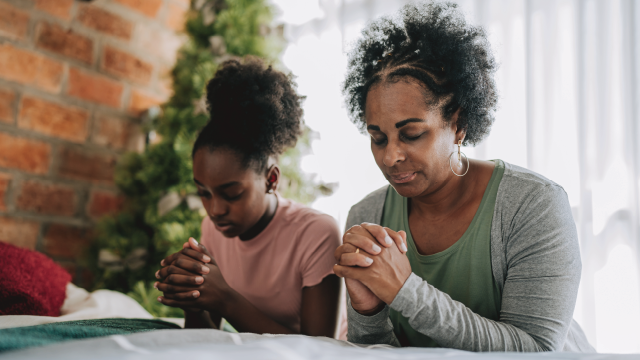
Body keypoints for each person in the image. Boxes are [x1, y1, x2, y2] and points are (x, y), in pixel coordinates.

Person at [333, 1, 594, 352]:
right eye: (377, 138)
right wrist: (370, 311)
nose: (390, 156)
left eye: (411, 134)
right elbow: (376, 352)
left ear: (459, 124)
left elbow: (535, 350)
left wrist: (404, 289)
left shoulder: (533, 205)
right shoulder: (367, 216)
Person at [154, 58, 341, 337]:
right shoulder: (213, 231)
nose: (215, 210)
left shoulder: (315, 234)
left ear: (271, 179)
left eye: (232, 194)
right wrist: (192, 298)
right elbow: (206, 339)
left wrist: (226, 300)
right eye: (203, 193)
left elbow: (321, 350)